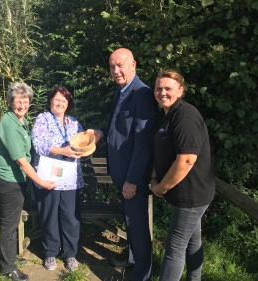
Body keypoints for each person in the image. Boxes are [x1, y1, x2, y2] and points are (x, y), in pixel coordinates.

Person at [87, 48, 158, 281]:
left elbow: (142, 144)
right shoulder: (122, 90)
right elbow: (120, 129)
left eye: (120, 65)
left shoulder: (143, 94)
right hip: (122, 174)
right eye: (112, 67)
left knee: (137, 227)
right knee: (130, 222)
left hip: (132, 178)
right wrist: (100, 132)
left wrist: (132, 180)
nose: (116, 71)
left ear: (133, 65)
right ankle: (131, 260)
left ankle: (141, 275)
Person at [150, 70, 215, 281]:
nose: (162, 92)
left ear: (180, 90)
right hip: (184, 193)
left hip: (191, 195)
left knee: (174, 247)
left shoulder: (185, 117)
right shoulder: (165, 115)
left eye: (168, 88)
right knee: (192, 242)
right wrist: (154, 177)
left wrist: (161, 187)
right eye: (159, 88)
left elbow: (186, 160)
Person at [0, 82, 56, 281]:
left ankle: (9, 258)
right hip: (8, 180)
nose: (22, 105)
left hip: (18, 180)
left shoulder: (22, 121)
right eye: (18, 101)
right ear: (11, 101)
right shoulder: (8, 123)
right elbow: (21, 160)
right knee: (10, 224)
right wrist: (41, 181)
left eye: (25, 101)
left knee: (13, 222)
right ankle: (7, 268)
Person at [31, 86, 85, 272]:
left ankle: (70, 254)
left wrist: (82, 151)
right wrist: (62, 150)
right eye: (57, 99)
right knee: (49, 216)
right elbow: (38, 144)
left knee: (71, 218)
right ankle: (50, 253)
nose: (60, 102)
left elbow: (83, 146)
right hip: (48, 177)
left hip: (70, 179)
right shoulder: (42, 119)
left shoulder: (75, 123)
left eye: (64, 100)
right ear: (50, 101)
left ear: (68, 103)